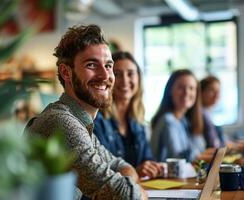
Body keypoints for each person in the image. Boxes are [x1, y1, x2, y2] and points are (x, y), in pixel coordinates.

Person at [25, 25, 147, 200]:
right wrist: (134, 190)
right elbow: (125, 195)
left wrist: (126, 186)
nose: (105, 75)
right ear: (66, 73)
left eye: (108, 65)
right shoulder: (61, 122)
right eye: (91, 65)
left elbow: (121, 165)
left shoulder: (81, 123)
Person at [94, 51, 163, 179]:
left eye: (130, 74)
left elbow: (147, 159)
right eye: (117, 74)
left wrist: (151, 167)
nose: (125, 80)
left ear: (138, 79)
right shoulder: (97, 120)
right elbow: (100, 172)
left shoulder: (138, 122)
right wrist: (135, 172)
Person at [151, 69, 207, 162]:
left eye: (191, 88)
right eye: (181, 87)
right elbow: (177, 159)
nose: (186, 92)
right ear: (170, 91)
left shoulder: (184, 120)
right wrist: (207, 155)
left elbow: (200, 146)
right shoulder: (167, 120)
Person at [200, 75, 244, 150]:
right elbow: (214, 144)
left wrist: (237, 144)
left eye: (218, 91)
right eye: (212, 90)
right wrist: (237, 146)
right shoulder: (201, 114)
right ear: (201, 92)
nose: (217, 95)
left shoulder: (208, 112)